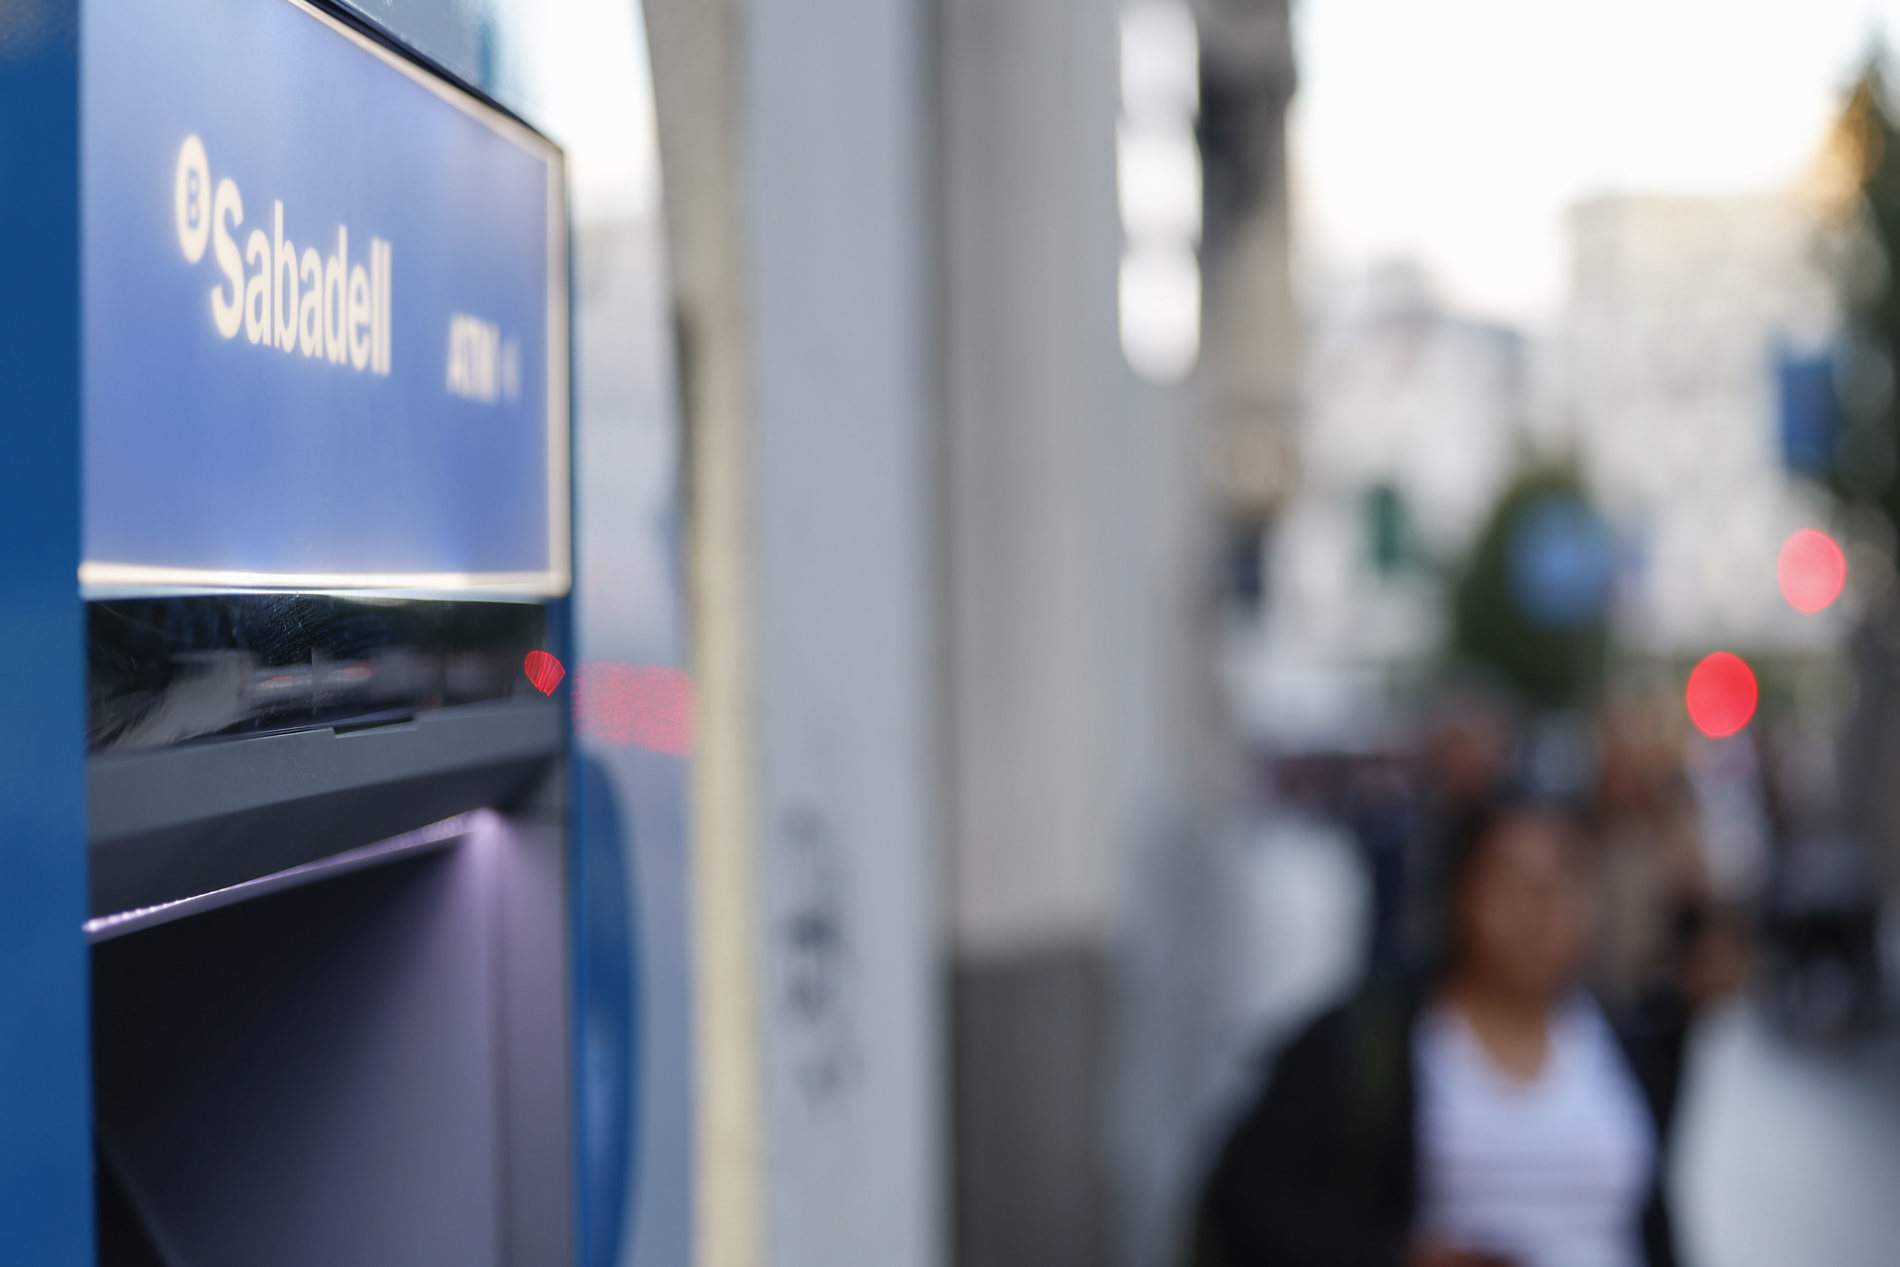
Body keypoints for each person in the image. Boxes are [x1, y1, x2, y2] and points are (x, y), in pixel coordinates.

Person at [1191, 796, 1688, 1267]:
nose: (1539, 911)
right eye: (1512, 883)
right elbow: (1254, 1195)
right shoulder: (1371, 1042)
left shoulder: (1628, 1046)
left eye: (1562, 883)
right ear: (1459, 894)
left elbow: (1654, 1221)